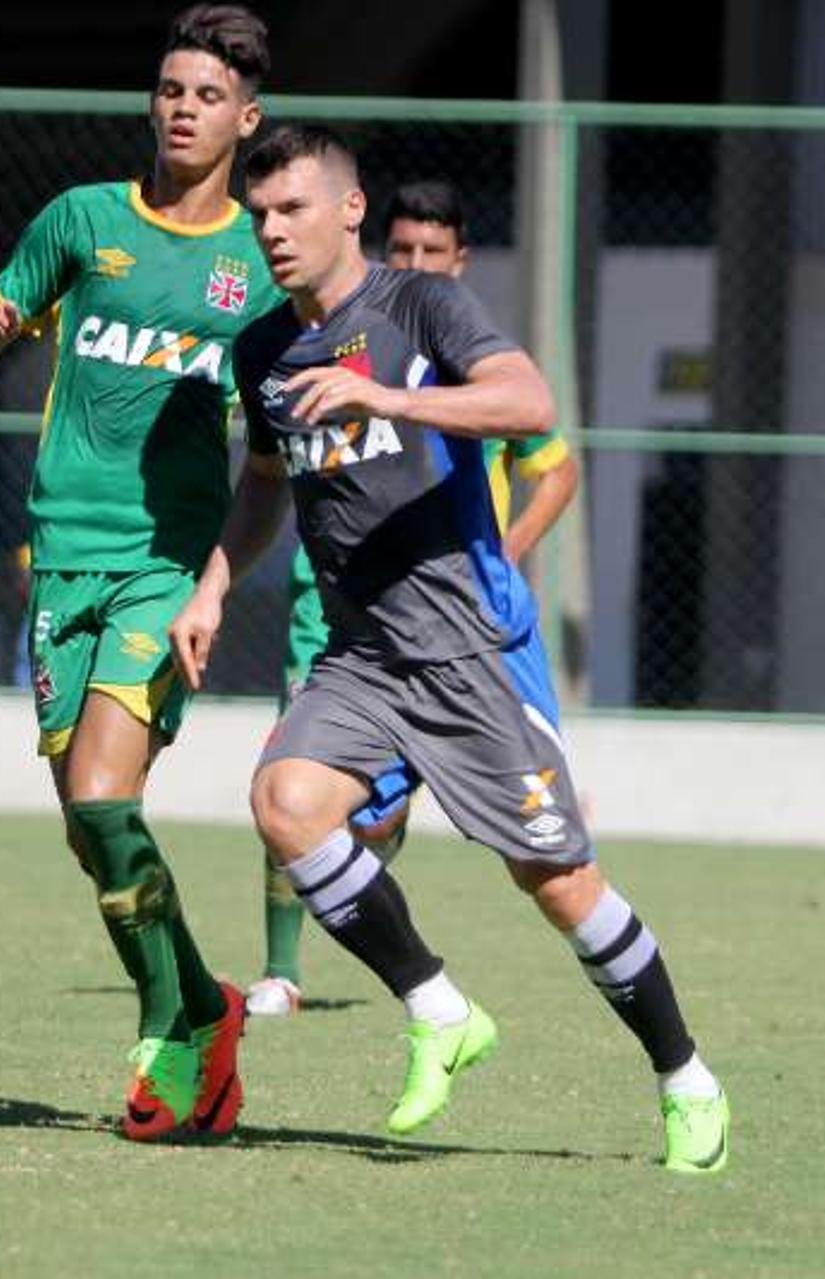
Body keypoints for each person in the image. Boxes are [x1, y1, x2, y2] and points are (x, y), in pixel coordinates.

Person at [169, 125, 729, 1172]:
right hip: (362, 655)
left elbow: (531, 403)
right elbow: (263, 485)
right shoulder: (263, 353)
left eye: (291, 209)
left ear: (349, 209)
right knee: (285, 805)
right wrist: (212, 583)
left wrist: (388, 394)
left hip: (463, 654)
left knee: (557, 882)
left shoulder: (422, 306)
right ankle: (438, 1005)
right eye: (258, 216)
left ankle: (684, 1072)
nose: (271, 231)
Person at [0, 4, 279, 1142]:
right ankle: (203, 1004)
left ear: (248, 116)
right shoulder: (84, 220)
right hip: (61, 563)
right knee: (90, 830)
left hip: (160, 569)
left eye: (207, 94)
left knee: (102, 794)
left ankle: (165, 1015)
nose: (184, 108)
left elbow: (277, 454)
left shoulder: (258, 266)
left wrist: (217, 582)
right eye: (171, 88)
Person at [247, 177, 582, 1017]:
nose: (416, 263)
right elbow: (263, 468)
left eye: (434, 254)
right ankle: (289, 969)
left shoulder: (461, 350)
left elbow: (555, 462)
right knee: (297, 796)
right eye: (405, 251)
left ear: (458, 263)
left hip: (474, 622)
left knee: (543, 857)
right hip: (341, 616)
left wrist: (504, 551)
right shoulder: (294, 342)